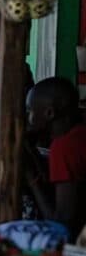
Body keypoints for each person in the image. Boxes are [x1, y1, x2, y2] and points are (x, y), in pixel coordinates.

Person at [25, 76, 86, 237]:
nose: (28, 118)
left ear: (49, 113)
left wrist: (31, 179)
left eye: (30, 111)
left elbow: (61, 224)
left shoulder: (64, 147)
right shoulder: (78, 134)